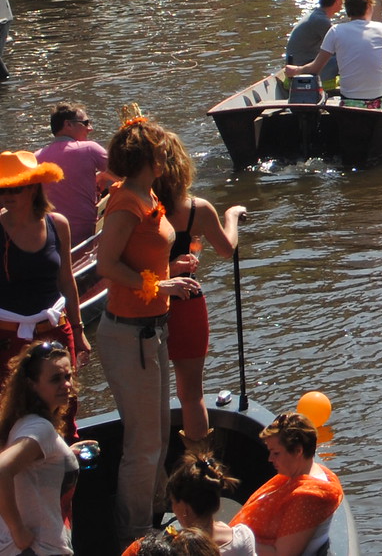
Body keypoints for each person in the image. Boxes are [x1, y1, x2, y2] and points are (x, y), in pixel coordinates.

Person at [96, 111, 200, 545]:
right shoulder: (125, 203)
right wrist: (160, 283)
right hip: (128, 333)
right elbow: (106, 265)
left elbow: (141, 256)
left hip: (152, 327)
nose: (167, 157)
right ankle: (134, 537)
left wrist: (169, 268)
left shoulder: (146, 195)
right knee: (143, 446)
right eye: (161, 151)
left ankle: (155, 518)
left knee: (157, 434)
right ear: (148, 157)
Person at [153, 132, 244, 454]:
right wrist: (231, 216)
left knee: (151, 394)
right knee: (191, 395)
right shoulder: (197, 210)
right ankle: (200, 464)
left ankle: (155, 463)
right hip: (187, 302)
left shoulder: (136, 208)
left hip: (145, 304)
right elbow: (225, 249)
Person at [0, 153, 86, 387]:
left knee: (65, 405)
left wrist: (78, 330)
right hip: (7, 338)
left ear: (32, 188)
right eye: (2, 190)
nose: (7, 195)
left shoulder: (58, 224)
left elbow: (67, 280)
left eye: (15, 189)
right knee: (12, 412)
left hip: (56, 330)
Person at [0, 339, 75, 556]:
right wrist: (18, 531)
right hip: (39, 549)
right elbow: (2, 470)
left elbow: (32, 471)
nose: (66, 384)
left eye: (68, 376)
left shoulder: (24, 422)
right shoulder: (40, 429)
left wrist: (66, 455)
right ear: (32, 384)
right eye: (55, 379)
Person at [235, 411, 343, 556]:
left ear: (298, 451)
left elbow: (282, 554)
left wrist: (233, 540)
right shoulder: (305, 474)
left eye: (276, 453)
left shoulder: (308, 498)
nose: (270, 459)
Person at [284, 0, 382, 105]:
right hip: (379, 95)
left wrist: (297, 70)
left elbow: (315, 69)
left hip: (348, 96)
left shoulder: (335, 30)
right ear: (368, 7)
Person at [153, 453, 258, 556]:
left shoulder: (178, 550)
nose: (173, 508)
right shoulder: (244, 537)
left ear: (185, 508)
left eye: (174, 502)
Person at [32, 107, 105, 240]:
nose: (90, 128)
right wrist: (104, 176)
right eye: (85, 123)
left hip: (50, 236)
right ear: (68, 124)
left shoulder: (35, 158)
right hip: (85, 234)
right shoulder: (90, 148)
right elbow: (124, 172)